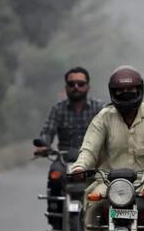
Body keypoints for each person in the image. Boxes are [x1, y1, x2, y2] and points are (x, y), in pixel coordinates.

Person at [70, 65, 144, 231]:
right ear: (113, 93)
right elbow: (89, 148)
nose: (126, 93)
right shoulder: (104, 117)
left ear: (140, 90)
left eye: (131, 89)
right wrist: (80, 166)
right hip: (107, 182)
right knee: (92, 202)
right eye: (120, 90)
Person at [34, 66, 104, 230]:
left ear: (88, 86)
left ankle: (104, 218)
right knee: (55, 175)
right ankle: (56, 217)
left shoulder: (99, 108)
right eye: (72, 84)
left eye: (80, 83)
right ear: (66, 87)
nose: (76, 87)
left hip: (94, 160)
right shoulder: (58, 109)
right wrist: (44, 145)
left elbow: (109, 130)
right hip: (64, 158)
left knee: (107, 179)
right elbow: (47, 131)